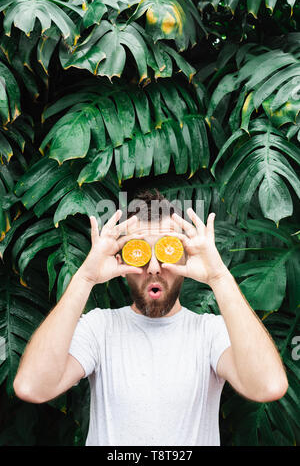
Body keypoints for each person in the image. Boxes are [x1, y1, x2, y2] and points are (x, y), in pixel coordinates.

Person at [13, 189, 288, 446]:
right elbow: (32, 387)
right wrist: (85, 277)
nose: (154, 267)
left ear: (184, 256)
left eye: (167, 249)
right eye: (140, 252)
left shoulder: (210, 333)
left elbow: (268, 386)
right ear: (122, 259)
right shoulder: (100, 328)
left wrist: (218, 277)